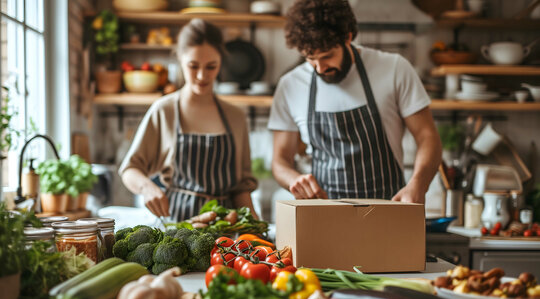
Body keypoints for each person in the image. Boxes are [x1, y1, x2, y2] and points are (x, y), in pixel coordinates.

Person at [269, 0, 442, 204]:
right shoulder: (290, 85)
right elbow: (280, 160)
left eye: (327, 56)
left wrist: (417, 184)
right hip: (323, 214)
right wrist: (295, 180)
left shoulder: (394, 69)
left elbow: (427, 136)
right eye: (310, 59)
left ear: (348, 37)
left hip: (388, 209)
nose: (320, 68)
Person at [120, 19, 258, 221]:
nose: (202, 75)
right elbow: (130, 169)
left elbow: (241, 189)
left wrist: (255, 228)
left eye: (211, 67)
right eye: (193, 66)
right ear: (180, 60)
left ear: (221, 62)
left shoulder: (235, 116)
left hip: (226, 235)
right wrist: (147, 187)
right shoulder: (165, 110)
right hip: (178, 230)